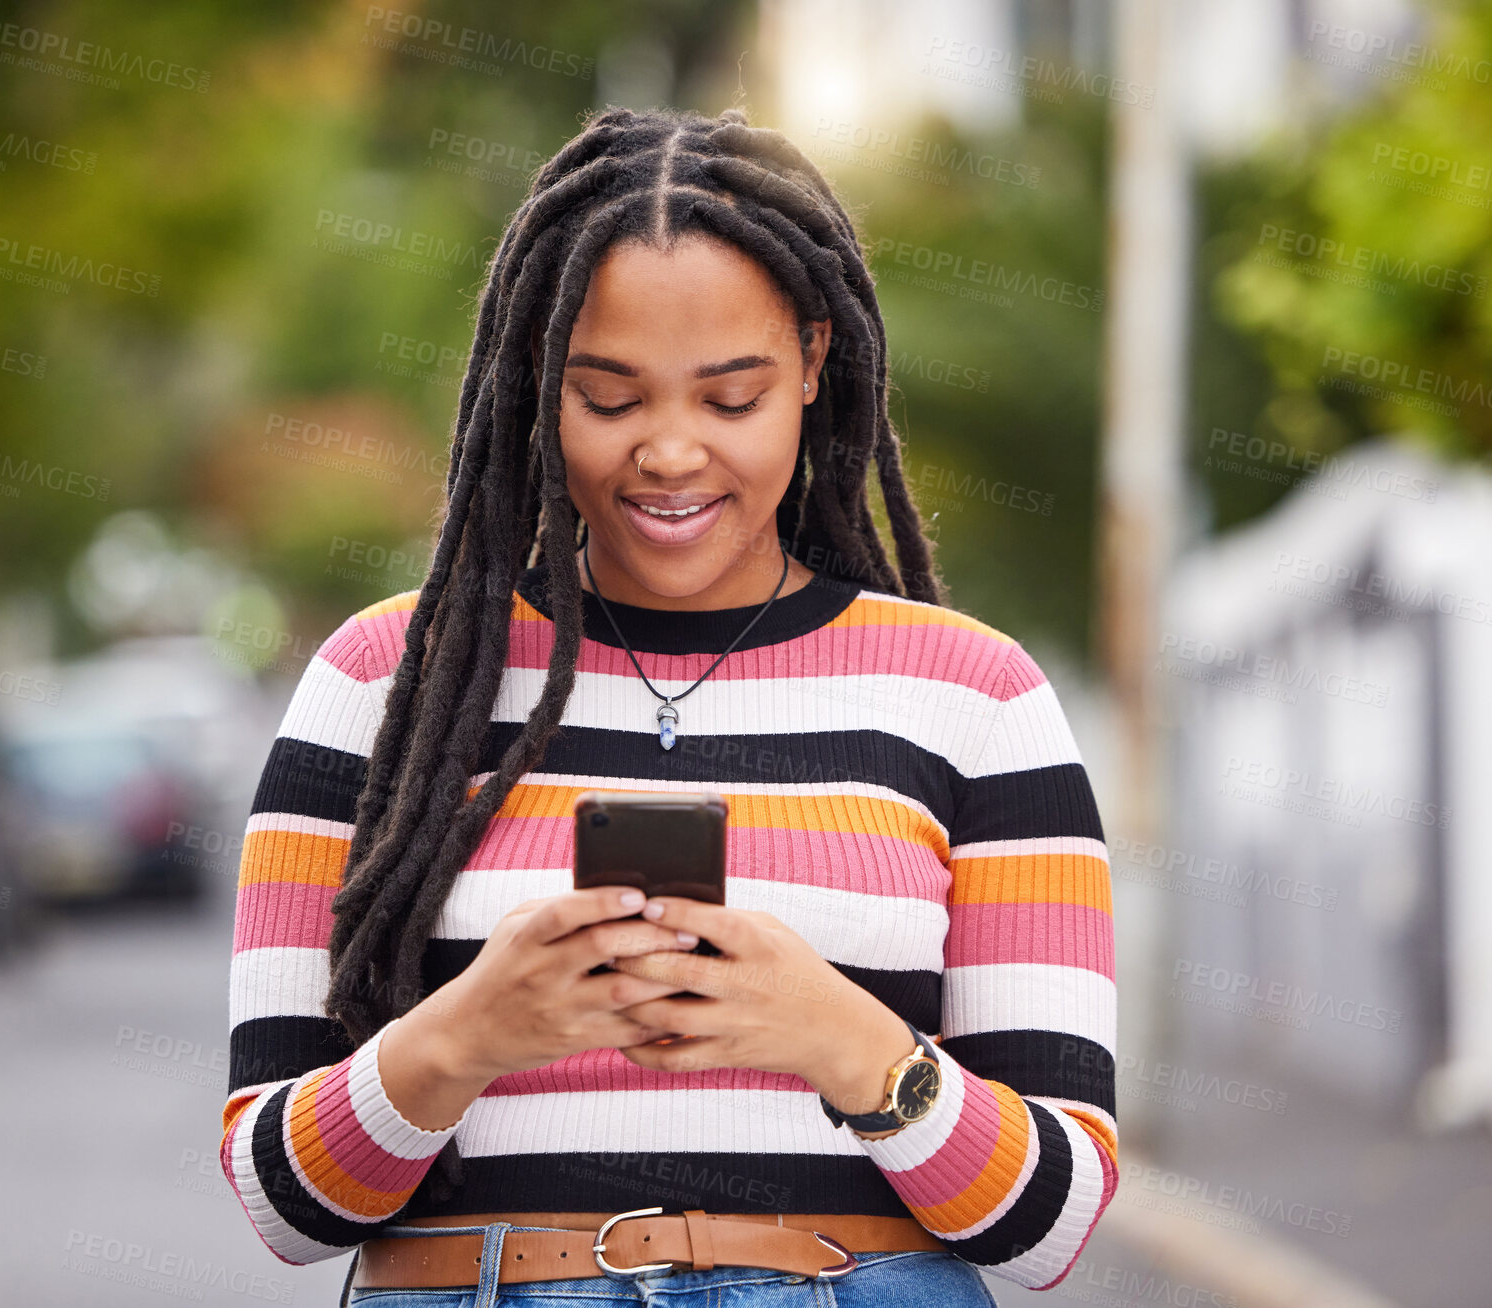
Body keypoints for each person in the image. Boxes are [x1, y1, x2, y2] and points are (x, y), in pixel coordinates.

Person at [220, 103, 1118, 1308]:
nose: (670, 454)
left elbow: (1051, 1227)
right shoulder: (381, 683)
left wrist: (834, 1037)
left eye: (730, 398)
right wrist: (474, 1031)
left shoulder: (973, 699)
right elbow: (281, 1203)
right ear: (537, 381)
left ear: (811, 362)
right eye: (608, 398)